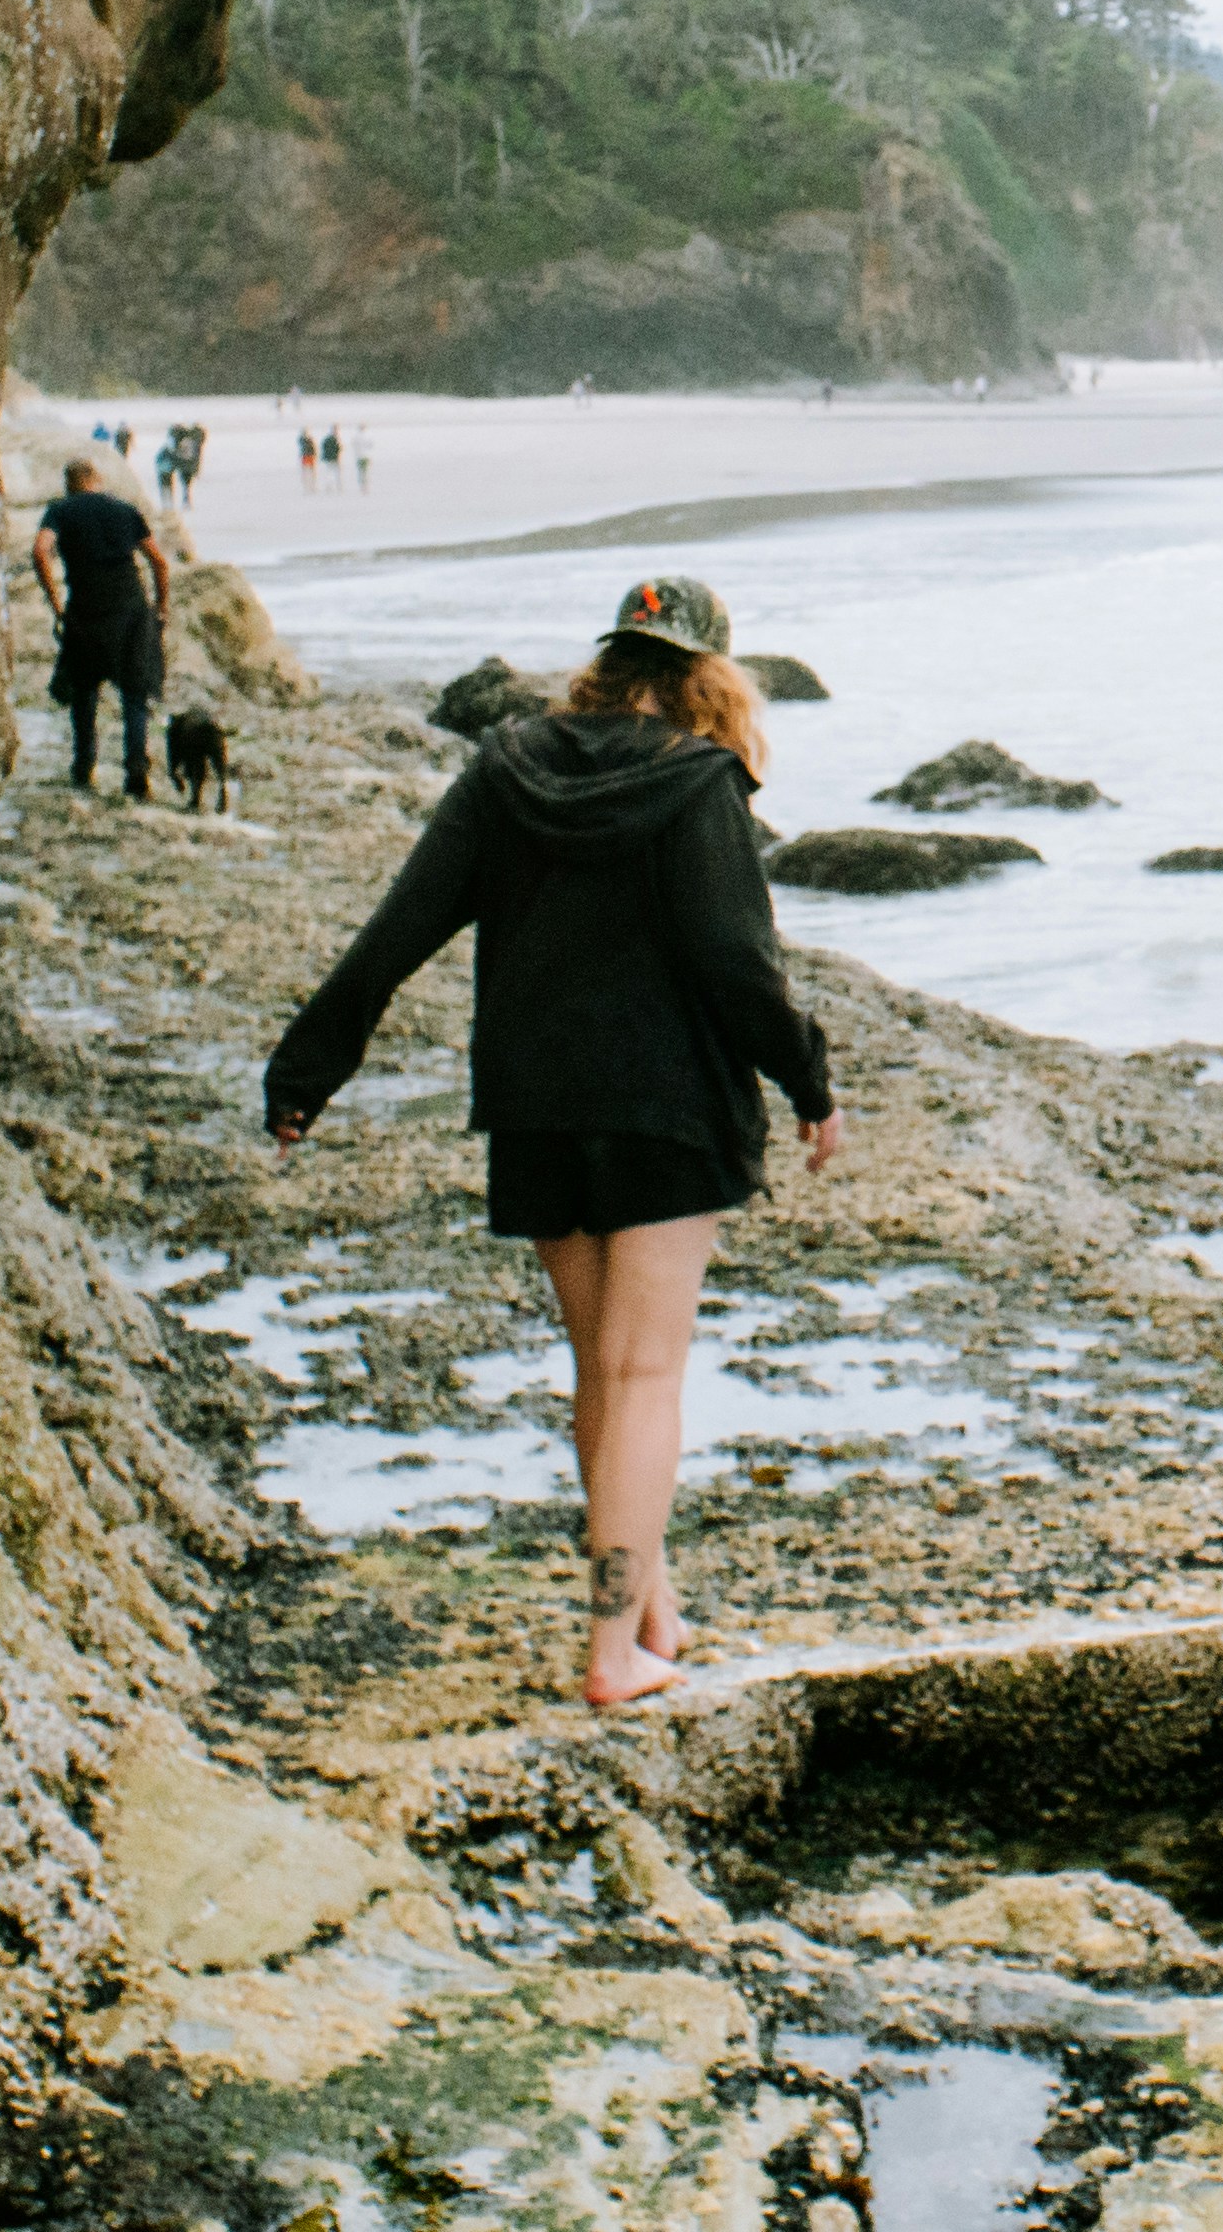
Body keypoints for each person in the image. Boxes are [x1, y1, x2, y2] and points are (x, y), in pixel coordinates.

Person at [260, 577, 839, 1706]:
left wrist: (306, 1071)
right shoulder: (700, 783)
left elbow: (402, 923)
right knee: (644, 1373)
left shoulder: (503, 769)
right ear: (709, 679)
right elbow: (738, 966)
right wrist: (809, 1079)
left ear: (605, 664)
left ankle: (648, 1609)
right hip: (665, 1115)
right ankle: (612, 1652)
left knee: (600, 1372)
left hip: (533, 1107)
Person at [29, 458, 170, 798]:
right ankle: (136, 771)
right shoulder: (124, 509)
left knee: (84, 692)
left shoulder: (60, 512)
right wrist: (161, 607)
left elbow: (39, 551)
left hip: (86, 609)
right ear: (98, 479)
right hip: (130, 610)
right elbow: (158, 562)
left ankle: (83, 767)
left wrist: (55, 602)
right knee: (135, 694)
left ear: (69, 483)